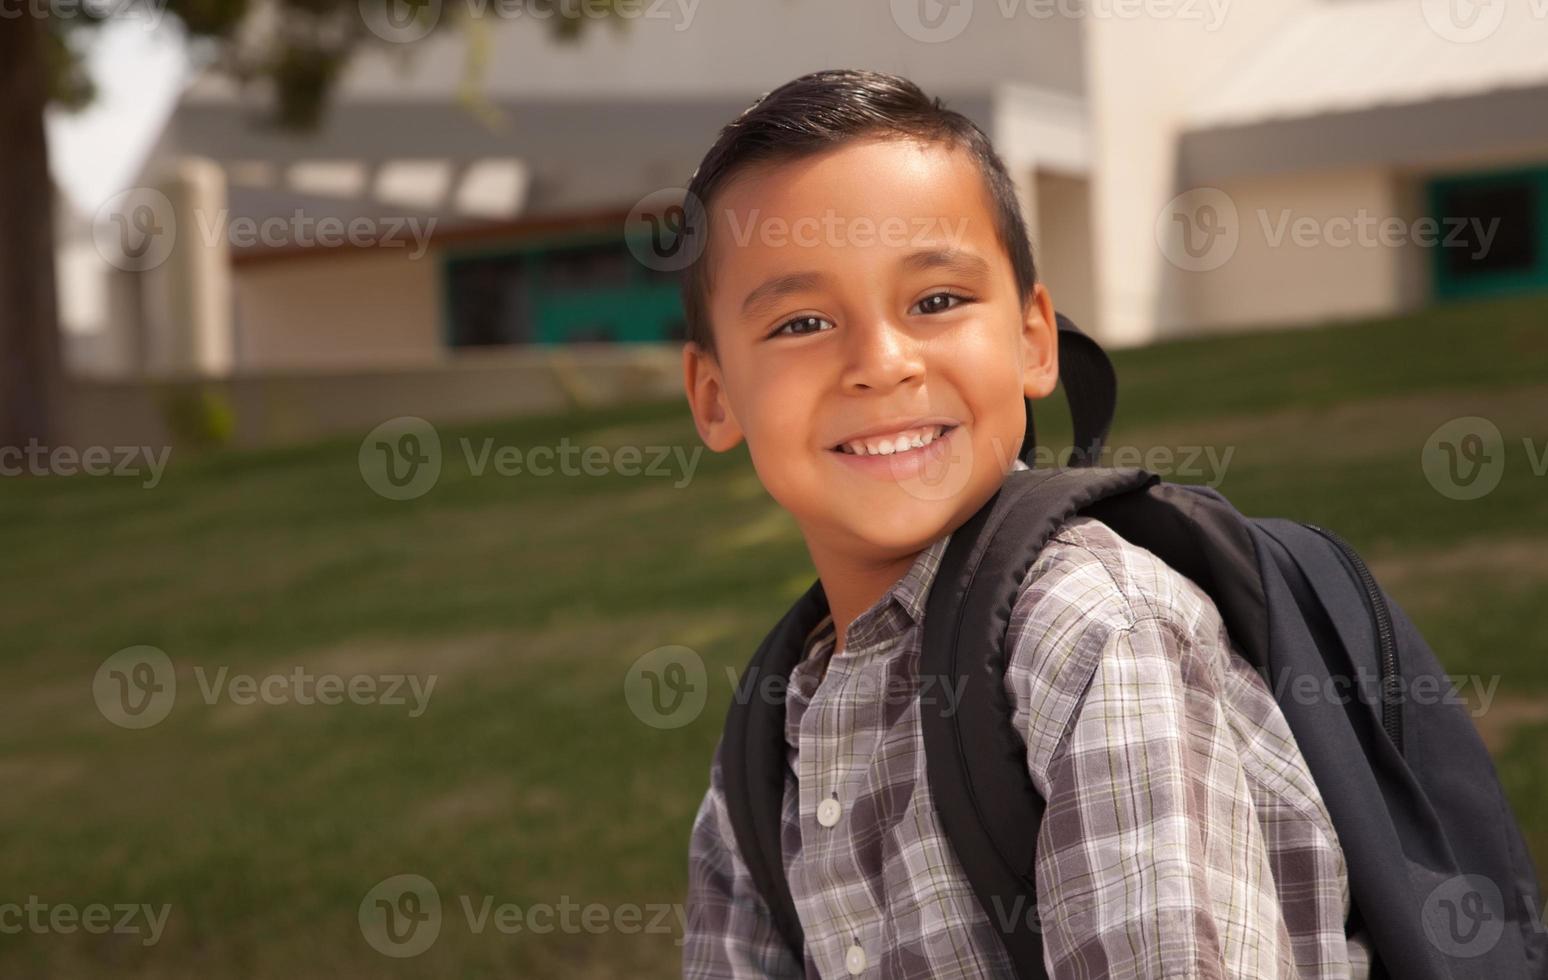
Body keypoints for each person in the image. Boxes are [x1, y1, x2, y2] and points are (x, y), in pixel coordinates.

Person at [678, 68, 1369, 979]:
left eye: (936, 302)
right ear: (715, 396)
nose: (881, 364)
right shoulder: (770, 743)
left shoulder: (1094, 632)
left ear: (1034, 339)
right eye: (803, 321)